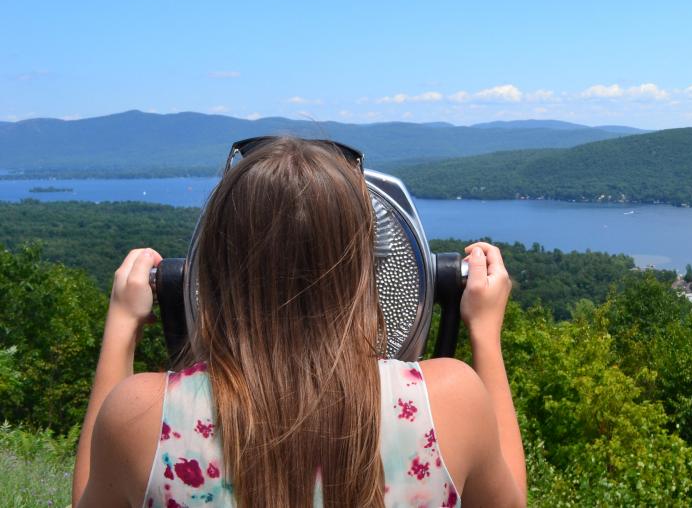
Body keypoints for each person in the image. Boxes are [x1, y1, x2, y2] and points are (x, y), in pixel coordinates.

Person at [71, 137, 527, 507]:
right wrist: (484, 335)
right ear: (364, 272)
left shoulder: (142, 417)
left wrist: (122, 326)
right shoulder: (452, 400)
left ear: (206, 272)